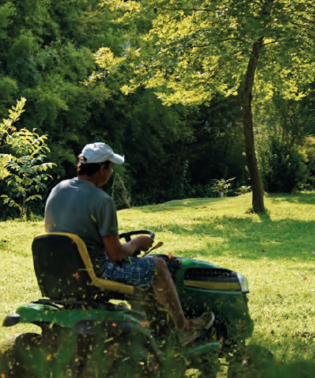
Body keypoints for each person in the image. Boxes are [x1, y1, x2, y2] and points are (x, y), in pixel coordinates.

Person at [44, 142, 213, 344]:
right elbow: (115, 254)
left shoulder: (57, 190)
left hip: (62, 272)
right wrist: (135, 243)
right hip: (95, 274)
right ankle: (184, 328)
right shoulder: (102, 200)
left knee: (141, 267)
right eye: (111, 167)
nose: (112, 172)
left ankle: (150, 328)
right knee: (158, 265)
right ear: (101, 168)